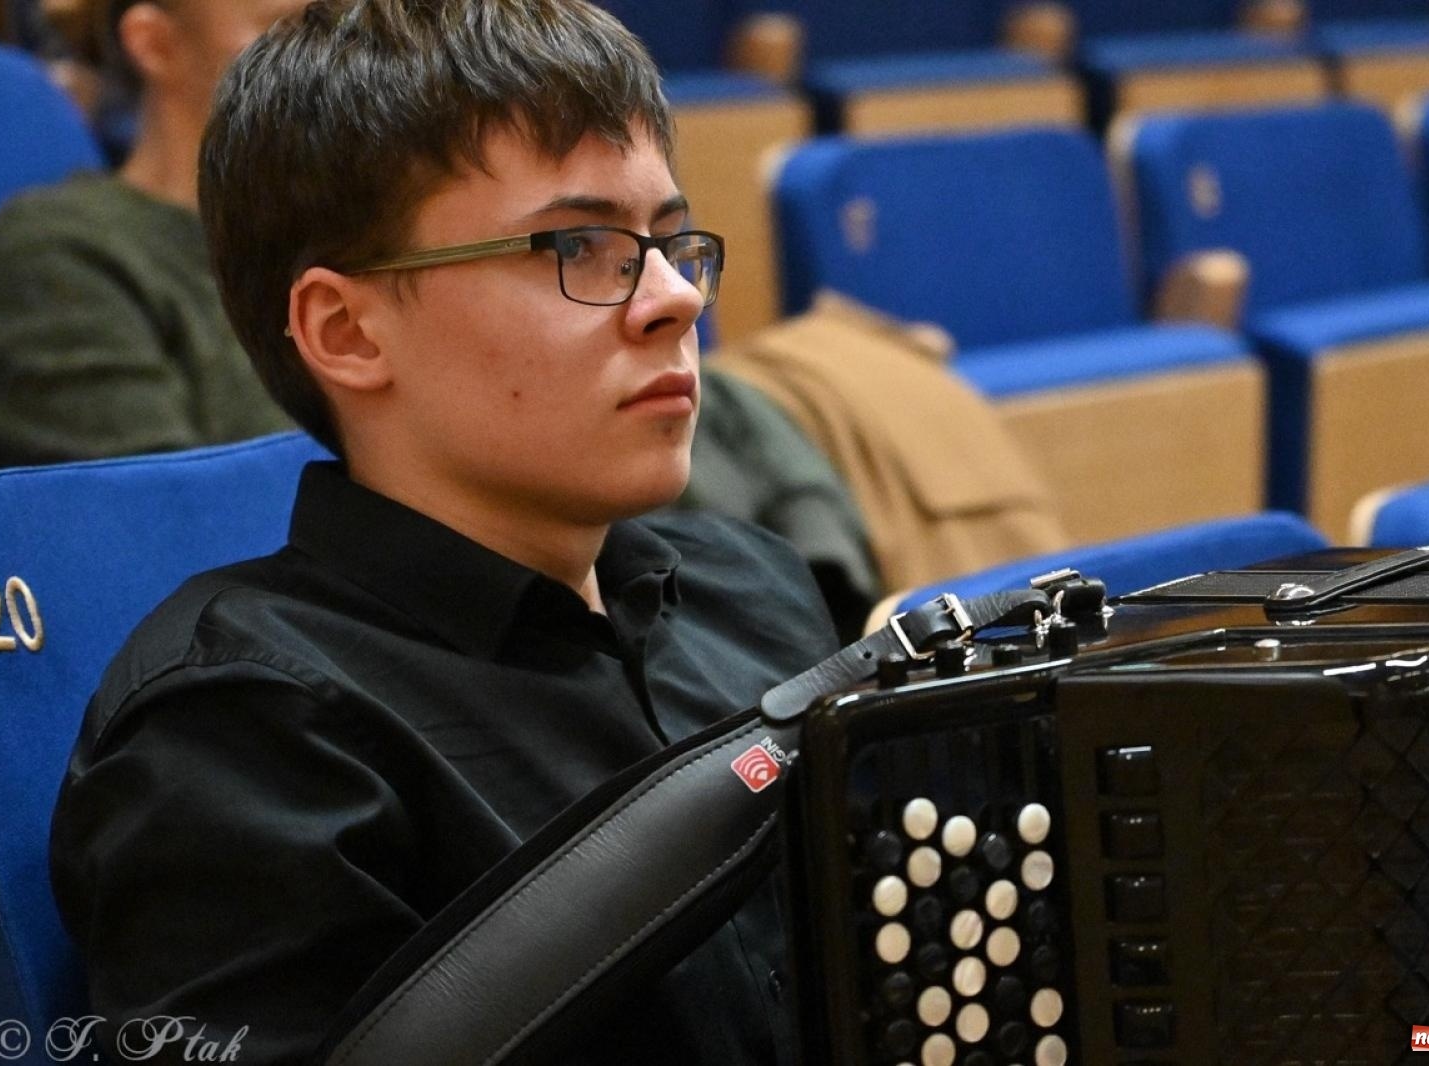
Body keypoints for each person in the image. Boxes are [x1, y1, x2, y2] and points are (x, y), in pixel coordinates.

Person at [49, 0, 838, 1062]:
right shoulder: (245, 730)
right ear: (347, 331)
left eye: (667, 241)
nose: (673, 299)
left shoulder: (753, 584)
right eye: (579, 245)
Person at [0, 0, 301, 470]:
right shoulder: (57, 255)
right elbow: (164, 504)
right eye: (286, 29)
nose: (334, 55)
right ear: (154, 45)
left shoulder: (349, 235)